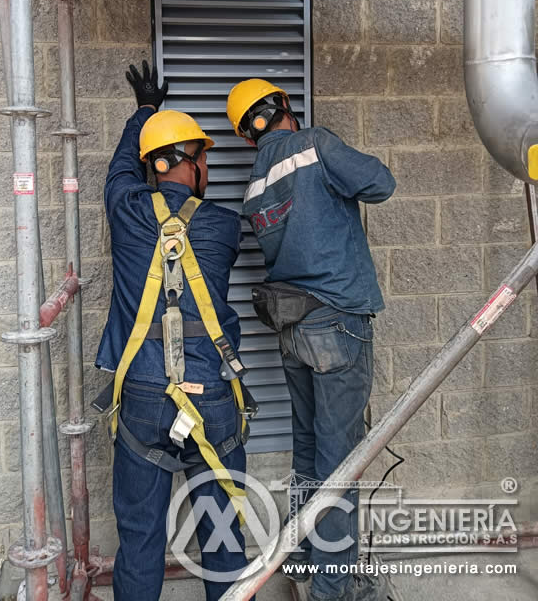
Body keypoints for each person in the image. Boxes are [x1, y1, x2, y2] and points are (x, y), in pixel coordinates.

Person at [226, 78, 396, 601]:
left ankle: (305, 559)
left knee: (307, 453)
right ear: (283, 108)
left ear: (247, 132)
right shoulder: (316, 145)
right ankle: (334, 590)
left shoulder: (254, 183)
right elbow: (380, 183)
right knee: (339, 463)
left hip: (293, 329)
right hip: (338, 325)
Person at [95, 61, 253, 601]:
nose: (209, 164)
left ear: (150, 168)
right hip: (210, 394)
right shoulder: (225, 227)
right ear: (193, 162)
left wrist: (143, 111)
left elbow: (120, 170)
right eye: (205, 155)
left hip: (141, 391)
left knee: (140, 539)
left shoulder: (125, 208)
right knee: (224, 534)